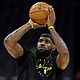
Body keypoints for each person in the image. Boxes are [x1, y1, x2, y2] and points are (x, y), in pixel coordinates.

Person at [3, 5, 70, 80]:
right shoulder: (26, 58)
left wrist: (51, 27)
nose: (42, 43)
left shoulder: (56, 64)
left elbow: (64, 52)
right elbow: (8, 41)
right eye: (40, 41)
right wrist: (29, 24)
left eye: (47, 42)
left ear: (54, 47)